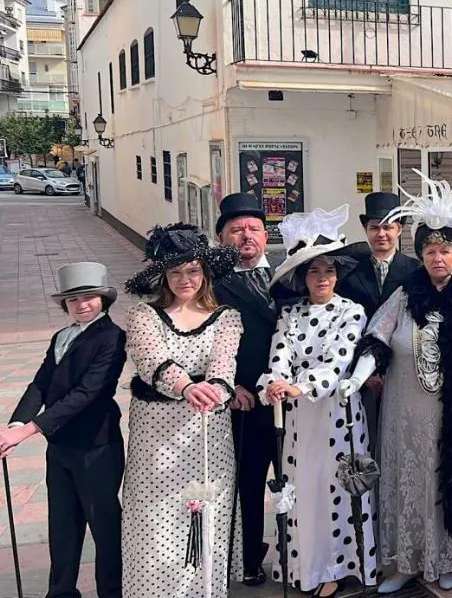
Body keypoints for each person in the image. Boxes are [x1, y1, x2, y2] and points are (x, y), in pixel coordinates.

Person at [339, 175, 452, 594]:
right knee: (413, 479)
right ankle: (407, 561)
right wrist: (357, 376)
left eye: (445, 250)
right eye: (430, 251)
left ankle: (449, 557)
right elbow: (376, 337)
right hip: (408, 412)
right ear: (421, 255)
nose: (438, 259)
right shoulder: (406, 295)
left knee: (451, 476)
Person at [259, 205, 376, 596]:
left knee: (335, 489)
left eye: (328, 270)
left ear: (337, 275)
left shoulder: (352, 312)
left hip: (336, 414)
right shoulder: (289, 313)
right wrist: (276, 382)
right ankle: (305, 564)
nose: (322, 278)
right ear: (301, 276)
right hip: (297, 419)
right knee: (302, 489)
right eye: (313, 270)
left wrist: (302, 386)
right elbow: (279, 354)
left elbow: (339, 360)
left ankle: (334, 566)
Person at [121, 224, 242, 598]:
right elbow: (149, 358)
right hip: (156, 440)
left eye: (192, 270)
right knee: (154, 522)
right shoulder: (143, 315)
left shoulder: (226, 316)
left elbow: (225, 362)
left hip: (208, 435)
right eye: (175, 272)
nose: (184, 279)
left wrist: (215, 390)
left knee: (205, 518)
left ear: (204, 273)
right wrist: (187, 386)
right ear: (164, 276)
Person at [1, 262, 125, 598]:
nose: (82, 304)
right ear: (65, 305)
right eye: (73, 300)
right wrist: (15, 423)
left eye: (89, 297)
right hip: (61, 446)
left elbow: (87, 393)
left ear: (103, 299)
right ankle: (61, 591)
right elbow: (41, 382)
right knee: (63, 524)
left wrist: (27, 431)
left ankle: (112, 591)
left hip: (97, 445)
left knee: (104, 524)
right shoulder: (61, 336)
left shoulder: (112, 336)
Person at [212, 191, 277, 586]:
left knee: (297, 482)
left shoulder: (291, 273)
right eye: (236, 230)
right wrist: (230, 385)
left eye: (254, 228)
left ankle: (299, 559)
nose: (246, 236)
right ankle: (250, 557)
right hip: (245, 403)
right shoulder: (212, 285)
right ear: (222, 237)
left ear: (266, 236)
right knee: (248, 484)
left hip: (292, 400)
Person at [336, 191, 421, 460]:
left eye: (388, 227)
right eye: (374, 227)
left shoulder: (416, 271)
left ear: (400, 229)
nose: (381, 234)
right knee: (364, 447)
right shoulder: (349, 272)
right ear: (366, 229)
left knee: (403, 445)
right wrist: (365, 374)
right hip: (360, 376)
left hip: (403, 372)